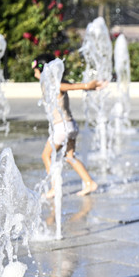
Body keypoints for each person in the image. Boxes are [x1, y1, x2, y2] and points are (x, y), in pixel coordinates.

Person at [32, 54, 99, 198]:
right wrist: (90, 87)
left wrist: (87, 86)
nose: (34, 72)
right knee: (70, 156)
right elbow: (70, 85)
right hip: (71, 126)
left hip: (61, 128)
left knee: (46, 155)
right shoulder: (51, 83)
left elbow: (71, 87)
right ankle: (89, 182)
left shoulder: (54, 84)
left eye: (36, 69)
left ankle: (54, 188)